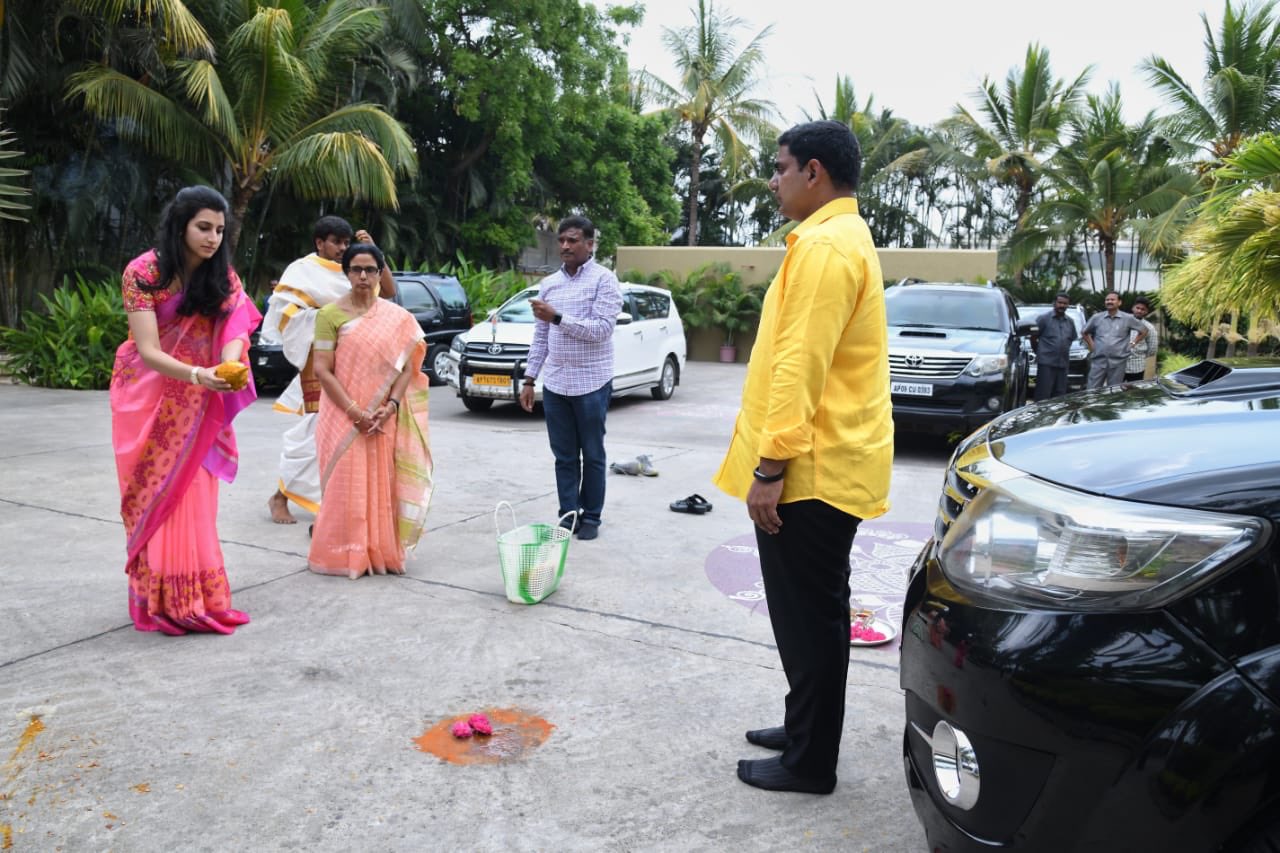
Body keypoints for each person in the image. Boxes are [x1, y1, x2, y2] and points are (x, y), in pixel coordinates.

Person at [713, 120, 893, 794]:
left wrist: (771, 468)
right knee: (810, 615)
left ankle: (810, 760)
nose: (773, 180)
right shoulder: (842, 237)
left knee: (809, 618)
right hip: (826, 463)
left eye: (781, 167)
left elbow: (800, 367)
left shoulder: (825, 247)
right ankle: (804, 730)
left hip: (811, 472)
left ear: (813, 172)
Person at [110, 185, 261, 636]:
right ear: (180, 226)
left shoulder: (223, 277)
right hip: (149, 396)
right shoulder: (143, 272)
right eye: (203, 227)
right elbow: (147, 349)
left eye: (219, 230)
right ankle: (162, 600)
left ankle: (196, 596)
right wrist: (199, 375)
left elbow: (236, 327)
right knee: (155, 494)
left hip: (200, 401)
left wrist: (229, 364)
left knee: (193, 497)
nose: (213, 238)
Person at [307, 243, 433, 579]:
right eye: (356, 269)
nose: (363, 276)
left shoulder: (396, 318)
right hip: (341, 417)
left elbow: (407, 366)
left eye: (370, 270)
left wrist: (390, 406)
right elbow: (322, 370)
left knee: (381, 485)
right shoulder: (329, 315)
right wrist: (355, 412)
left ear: (380, 274)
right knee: (344, 486)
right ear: (346, 273)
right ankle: (342, 555)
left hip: (381, 418)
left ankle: (379, 551)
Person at [263, 217, 397, 524]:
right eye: (336, 242)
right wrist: (329, 317)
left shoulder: (354, 270)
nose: (342, 248)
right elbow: (286, 313)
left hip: (358, 358)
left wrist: (374, 249)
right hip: (320, 359)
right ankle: (280, 496)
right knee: (317, 430)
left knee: (347, 433)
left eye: (346, 242)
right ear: (319, 242)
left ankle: (335, 503)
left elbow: (388, 291)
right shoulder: (302, 270)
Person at [518, 215, 622, 541]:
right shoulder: (550, 284)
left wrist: (558, 317)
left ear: (590, 244)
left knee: (592, 454)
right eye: (561, 240)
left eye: (573, 240)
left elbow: (601, 330)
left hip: (591, 383)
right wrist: (530, 379)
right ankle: (568, 514)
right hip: (556, 384)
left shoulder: (604, 280)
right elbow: (541, 336)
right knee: (564, 457)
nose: (565, 245)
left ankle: (591, 517)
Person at [1082, 290, 1147, 389]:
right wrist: (1092, 346)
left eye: (1112, 299)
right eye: (1107, 300)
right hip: (1099, 361)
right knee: (1092, 390)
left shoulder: (1128, 318)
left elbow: (1144, 331)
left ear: (1119, 302)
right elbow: (1084, 332)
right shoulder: (1097, 317)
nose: (1109, 301)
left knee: (1114, 390)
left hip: (1118, 362)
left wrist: (1133, 343)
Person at [1032, 293, 1078, 401]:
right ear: (1054, 303)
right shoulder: (1043, 319)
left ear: (1068, 305)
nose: (1062, 305)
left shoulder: (1070, 322)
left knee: (1060, 395)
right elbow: (1033, 337)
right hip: (1046, 363)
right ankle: (1041, 412)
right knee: (1043, 394)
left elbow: (1070, 339)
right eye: (1060, 302)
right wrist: (1040, 353)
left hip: (1063, 364)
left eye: (1065, 303)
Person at [1124, 296, 1158, 382]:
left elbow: (1152, 349)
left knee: (1134, 389)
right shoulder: (1123, 322)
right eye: (1137, 308)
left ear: (1146, 312)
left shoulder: (1149, 327)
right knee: (1116, 388)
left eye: (1143, 309)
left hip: (1137, 367)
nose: (1139, 311)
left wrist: (1139, 354)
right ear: (1133, 308)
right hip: (1120, 366)